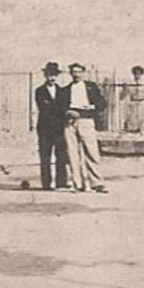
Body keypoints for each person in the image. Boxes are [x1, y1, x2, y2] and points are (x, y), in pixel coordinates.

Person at [63, 62, 108, 193]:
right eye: (73, 72)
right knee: (72, 153)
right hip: (70, 122)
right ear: (70, 73)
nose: (76, 74)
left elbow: (102, 103)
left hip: (86, 120)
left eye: (78, 72)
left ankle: (97, 183)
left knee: (92, 152)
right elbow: (59, 107)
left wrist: (92, 107)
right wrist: (67, 112)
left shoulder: (91, 87)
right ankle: (76, 183)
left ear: (83, 73)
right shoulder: (65, 89)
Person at [34, 62, 70, 190]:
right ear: (45, 75)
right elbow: (44, 108)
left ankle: (61, 182)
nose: (52, 78)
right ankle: (46, 184)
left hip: (59, 128)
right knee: (45, 156)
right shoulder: (39, 91)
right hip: (45, 128)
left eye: (54, 75)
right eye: (50, 75)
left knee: (61, 155)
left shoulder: (62, 91)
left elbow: (65, 107)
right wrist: (58, 111)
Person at [122, 65, 144, 134]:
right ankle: (132, 130)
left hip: (142, 102)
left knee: (142, 117)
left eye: (139, 74)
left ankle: (142, 129)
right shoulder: (130, 84)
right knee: (132, 118)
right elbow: (123, 95)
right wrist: (124, 88)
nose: (137, 75)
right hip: (133, 102)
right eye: (136, 73)